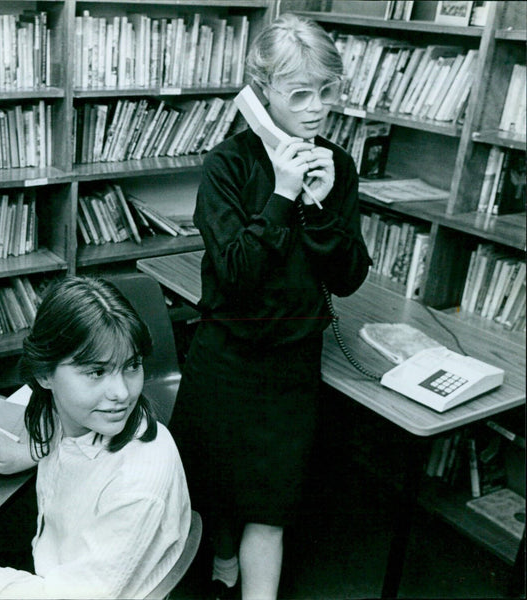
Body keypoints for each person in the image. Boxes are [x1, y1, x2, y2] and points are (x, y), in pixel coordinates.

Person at [169, 13, 372, 600]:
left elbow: (349, 276)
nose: (317, 109)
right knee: (212, 490)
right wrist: (283, 196)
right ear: (261, 95)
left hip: (291, 366)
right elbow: (235, 276)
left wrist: (326, 202)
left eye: (327, 93)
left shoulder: (336, 164)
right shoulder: (227, 165)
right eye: (299, 94)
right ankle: (223, 564)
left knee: (270, 504)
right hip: (227, 358)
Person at [0, 276, 191, 599]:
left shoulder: (136, 484)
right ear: (44, 375)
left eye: (132, 365)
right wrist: (31, 452)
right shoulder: (77, 415)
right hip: (53, 559)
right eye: (97, 372)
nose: (123, 393)